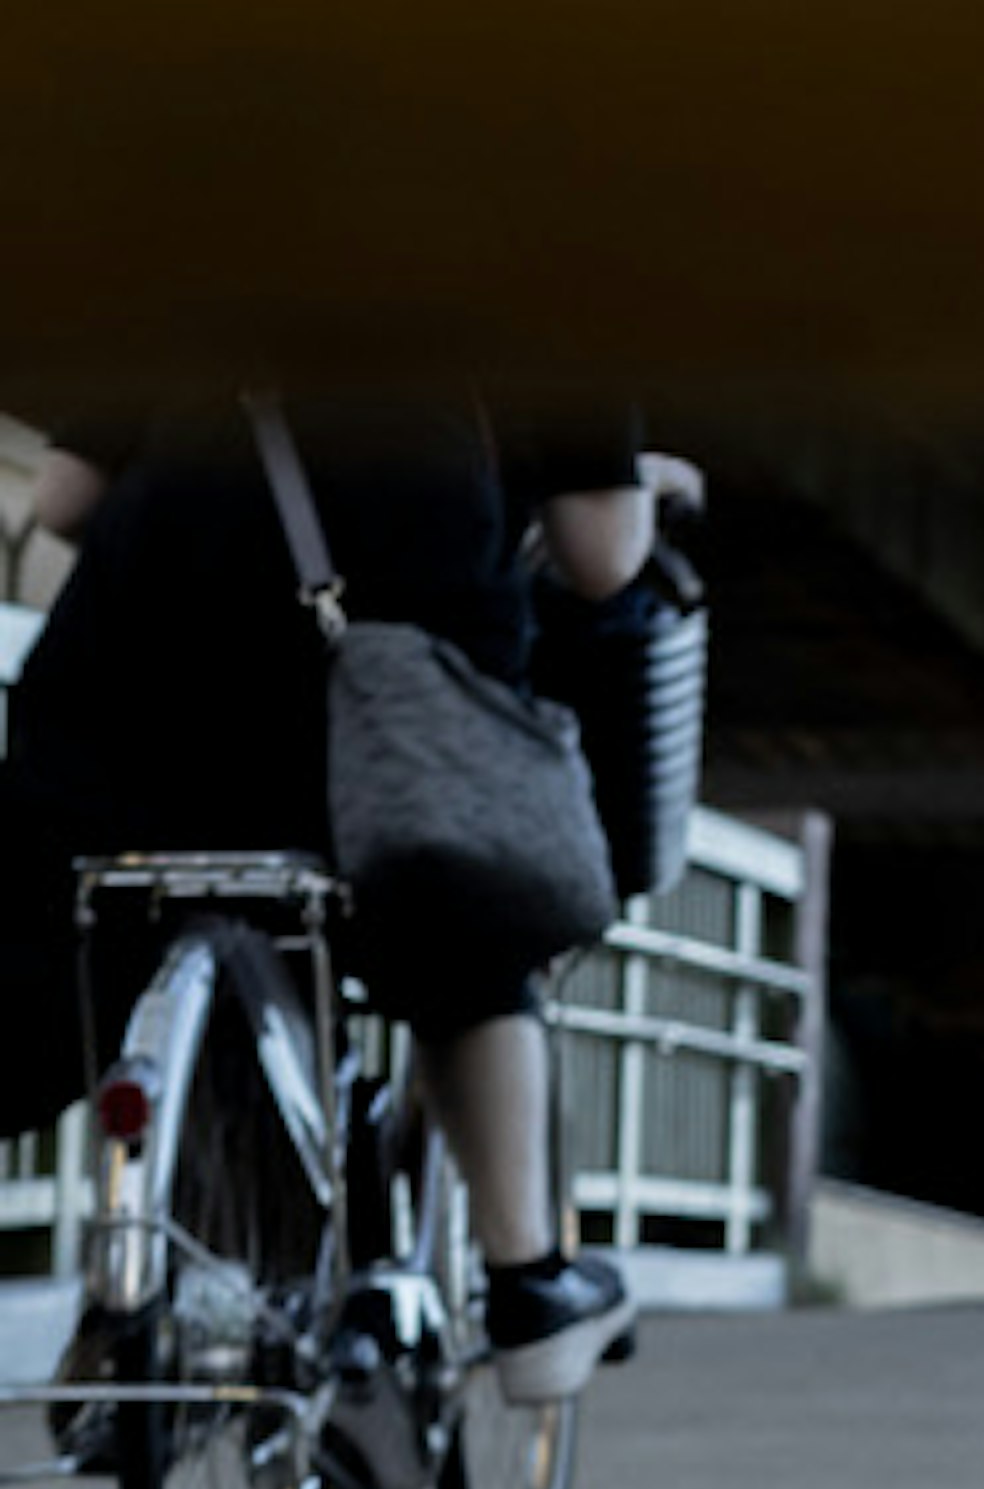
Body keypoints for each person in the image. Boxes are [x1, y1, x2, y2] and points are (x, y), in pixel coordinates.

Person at [1, 394, 669, 1408]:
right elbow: (605, 556)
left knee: (98, 914)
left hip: (139, 662)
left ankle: (142, 1298)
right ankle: (527, 1282)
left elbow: (59, 500)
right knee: (464, 922)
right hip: (378, 655)